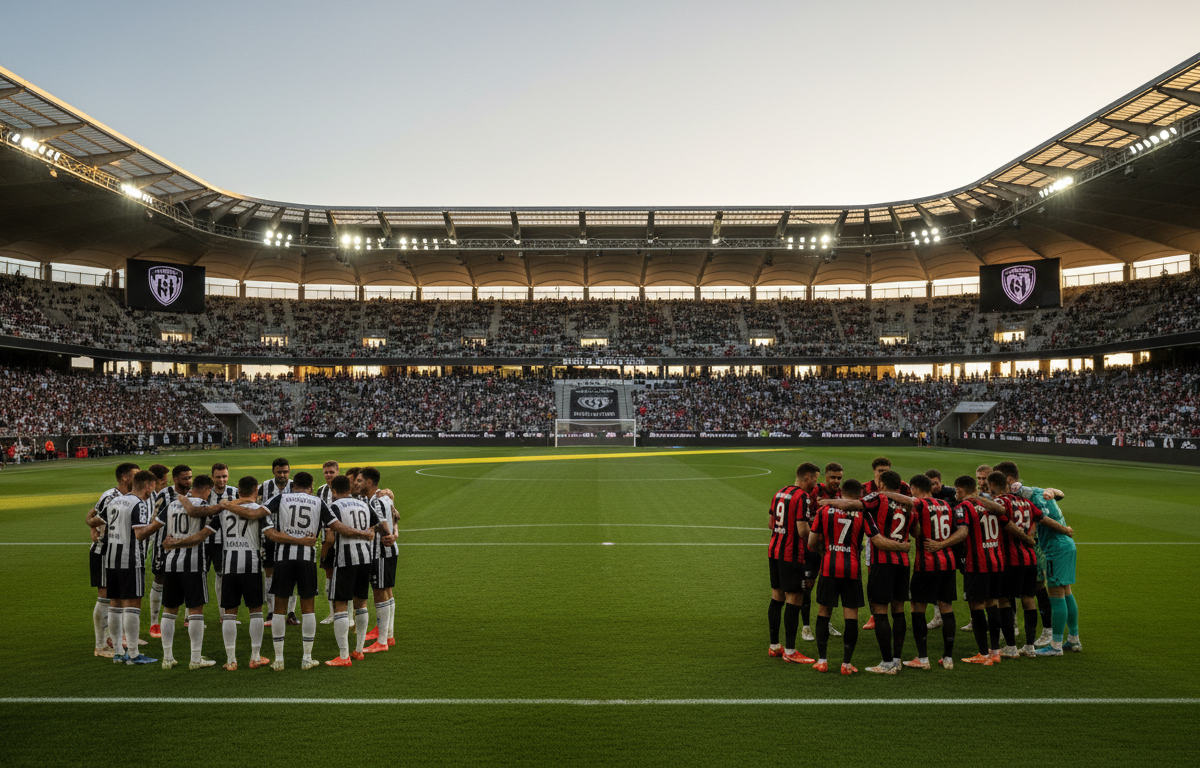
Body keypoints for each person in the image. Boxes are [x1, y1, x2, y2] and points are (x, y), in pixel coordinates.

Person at [262, 471, 373, 671]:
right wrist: (363, 533)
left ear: (293, 484)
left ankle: (278, 659)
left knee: (279, 608)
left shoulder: (281, 497)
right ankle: (307, 657)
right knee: (308, 608)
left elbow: (259, 513)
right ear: (311, 486)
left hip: (283, 559)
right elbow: (338, 527)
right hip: (306, 559)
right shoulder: (318, 502)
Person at [924, 475, 1027, 665]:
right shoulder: (990, 505)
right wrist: (1028, 540)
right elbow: (1008, 522)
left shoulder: (963, 507)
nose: (956, 494)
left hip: (978, 563)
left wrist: (941, 545)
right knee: (992, 603)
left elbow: (963, 532)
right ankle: (995, 650)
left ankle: (983, 654)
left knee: (977, 606)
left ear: (961, 490)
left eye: (956, 491)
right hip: (997, 561)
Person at [809, 479, 907, 674]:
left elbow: (811, 543)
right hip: (851, 570)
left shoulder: (824, 511)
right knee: (850, 616)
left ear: (841, 492)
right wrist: (902, 546)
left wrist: (824, 549)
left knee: (823, 612)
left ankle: (822, 660)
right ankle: (846, 664)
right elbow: (877, 540)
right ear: (860, 495)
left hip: (828, 567)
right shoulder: (864, 513)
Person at [999, 462, 1080, 656]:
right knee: (1067, 591)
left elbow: (1044, 518)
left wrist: (1064, 530)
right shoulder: (1039, 491)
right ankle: (1074, 640)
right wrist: (1055, 492)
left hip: (1055, 548)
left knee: (1056, 594)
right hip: (1067, 547)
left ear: (1009, 480)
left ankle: (1056, 645)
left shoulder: (1030, 497)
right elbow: (1056, 493)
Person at [884, 475, 958, 669]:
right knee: (946, 607)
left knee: (918, 607)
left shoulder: (919, 505)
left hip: (927, 563)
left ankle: (923, 658)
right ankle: (948, 658)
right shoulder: (945, 504)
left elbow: (915, 530)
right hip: (948, 562)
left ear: (915, 488)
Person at [86, 469, 158, 666]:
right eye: (153, 486)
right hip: (130, 559)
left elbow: (95, 520)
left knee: (115, 605)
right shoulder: (139, 504)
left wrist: (91, 525)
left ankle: (118, 652)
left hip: (110, 560)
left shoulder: (114, 502)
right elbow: (140, 534)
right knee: (132, 606)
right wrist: (158, 523)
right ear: (148, 486)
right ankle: (134, 655)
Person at [148, 474, 219, 670]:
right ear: (208, 489)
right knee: (195, 610)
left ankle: (167, 657)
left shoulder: (171, 504)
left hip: (171, 563)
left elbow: (155, 525)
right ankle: (195, 659)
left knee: (170, 611)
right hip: (193, 564)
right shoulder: (204, 507)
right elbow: (200, 537)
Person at [323, 475, 384, 666]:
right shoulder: (364, 505)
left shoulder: (334, 507)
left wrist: (324, 557)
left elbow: (333, 534)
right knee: (361, 603)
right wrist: (367, 533)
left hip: (345, 560)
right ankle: (358, 651)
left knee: (340, 605)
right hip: (366, 558)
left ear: (333, 490)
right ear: (349, 488)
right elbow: (376, 526)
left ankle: (343, 656)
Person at [766, 463, 821, 664]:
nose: (816, 483)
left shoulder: (780, 492)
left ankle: (774, 646)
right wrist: (818, 537)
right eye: (815, 478)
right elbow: (803, 531)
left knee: (777, 596)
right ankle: (790, 651)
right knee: (795, 598)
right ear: (807, 477)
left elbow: (771, 524)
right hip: (791, 554)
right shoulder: (802, 497)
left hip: (774, 551)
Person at [214, 475, 271, 670]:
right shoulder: (259, 510)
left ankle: (231, 660)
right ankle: (255, 656)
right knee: (255, 610)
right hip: (251, 563)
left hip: (229, 563)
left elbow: (208, 531)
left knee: (229, 613)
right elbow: (269, 535)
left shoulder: (223, 510)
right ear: (256, 490)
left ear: (238, 491)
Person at [988, 471, 1043, 658]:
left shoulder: (1001, 503)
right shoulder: (1025, 502)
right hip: (1030, 558)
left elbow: (1005, 522)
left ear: (993, 486)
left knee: (1003, 599)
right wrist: (1031, 536)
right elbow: (1038, 517)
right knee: (1028, 599)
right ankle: (1029, 646)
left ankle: (1011, 647)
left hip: (1011, 559)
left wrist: (1024, 538)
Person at [88, 462, 139, 658]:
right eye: (135, 474)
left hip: (118, 553)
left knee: (117, 597)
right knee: (105, 596)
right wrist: (93, 528)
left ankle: (116, 638)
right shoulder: (111, 497)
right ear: (125, 477)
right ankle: (100, 645)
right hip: (104, 550)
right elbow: (93, 516)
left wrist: (91, 525)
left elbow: (92, 514)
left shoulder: (128, 497)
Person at [860, 457, 910, 632]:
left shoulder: (902, 486)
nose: (883, 473)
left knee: (893, 588)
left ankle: (882, 614)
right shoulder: (865, 488)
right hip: (874, 537)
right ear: (874, 471)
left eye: (886, 470)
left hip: (895, 538)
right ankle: (875, 615)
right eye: (881, 470)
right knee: (872, 574)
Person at [360, 466, 399, 651]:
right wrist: (394, 534)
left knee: (379, 593)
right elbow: (396, 515)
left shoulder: (375, 501)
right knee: (387, 591)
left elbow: (383, 523)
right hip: (389, 550)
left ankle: (382, 642)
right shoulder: (384, 497)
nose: (357, 483)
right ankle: (388, 636)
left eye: (360, 481)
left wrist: (382, 532)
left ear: (369, 482)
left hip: (381, 551)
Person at [806, 462, 844, 641]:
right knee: (808, 585)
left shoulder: (841, 494)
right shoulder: (815, 492)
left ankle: (826, 623)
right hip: (813, 547)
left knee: (828, 587)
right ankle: (806, 626)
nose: (836, 481)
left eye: (839, 478)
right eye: (833, 477)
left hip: (831, 549)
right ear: (826, 477)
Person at [922, 468, 958, 631]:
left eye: (936, 483)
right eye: (930, 484)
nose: (934, 486)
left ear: (940, 481)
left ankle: (974, 617)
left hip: (956, 542)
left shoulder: (951, 493)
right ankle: (938, 615)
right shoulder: (926, 498)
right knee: (936, 581)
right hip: (935, 545)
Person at [258, 458, 293, 624]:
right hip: (269, 536)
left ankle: (291, 612)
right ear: (273, 471)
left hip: (290, 536)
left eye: (285, 471)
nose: (282, 475)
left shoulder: (295, 486)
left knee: (290, 573)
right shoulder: (264, 486)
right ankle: (271, 611)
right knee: (270, 572)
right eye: (279, 472)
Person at [146, 464, 173, 639]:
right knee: (160, 579)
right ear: (162, 479)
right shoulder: (155, 496)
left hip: (169, 543)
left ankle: (186, 618)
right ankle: (154, 622)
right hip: (160, 544)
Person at [207, 463, 236, 612]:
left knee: (222, 576)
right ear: (212, 477)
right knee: (197, 576)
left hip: (224, 542)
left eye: (224, 476)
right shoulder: (205, 493)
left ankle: (223, 613)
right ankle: (188, 615)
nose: (221, 480)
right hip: (204, 541)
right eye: (218, 477)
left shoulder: (234, 492)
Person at [316, 460, 340, 625]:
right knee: (329, 574)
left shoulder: (346, 488)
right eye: (326, 472)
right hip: (328, 540)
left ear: (338, 472)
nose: (329, 475)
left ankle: (347, 615)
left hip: (345, 539)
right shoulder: (321, 491)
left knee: (346, 576)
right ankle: (332, 613)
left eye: (331, 472)